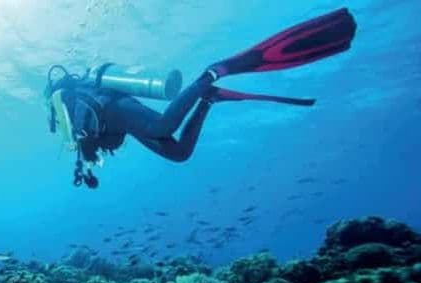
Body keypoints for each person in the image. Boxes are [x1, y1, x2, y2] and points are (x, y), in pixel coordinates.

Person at [45, 8, 356, 189]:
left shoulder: (62, 102)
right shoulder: (71, 108)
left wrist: (75, 146)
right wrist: (85, 167)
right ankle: (208, 99)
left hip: (116, 109)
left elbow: (75, 135)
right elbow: (91, 143)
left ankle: (211, 74)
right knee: (179, 153)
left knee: (163, 126)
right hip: (118, 118)